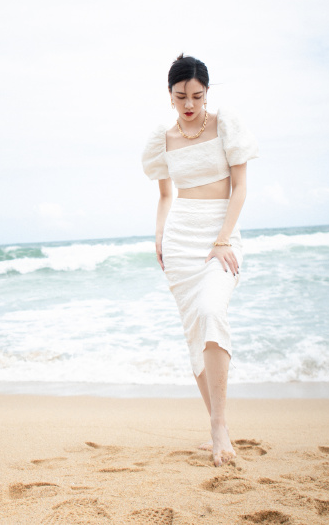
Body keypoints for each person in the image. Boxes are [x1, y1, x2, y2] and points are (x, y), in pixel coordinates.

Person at [141, 54, 258, 467]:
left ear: (207, 92)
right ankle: (219, 427)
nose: (189, 104)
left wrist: (224, 237)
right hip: (180, 238)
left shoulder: (226, 124)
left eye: (197, 95)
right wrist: (158, 236)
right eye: (180, 96)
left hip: (219, 233)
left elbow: (241, 186)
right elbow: (165, 195)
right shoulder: (163, 138)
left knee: (212, 311)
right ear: (169, 96)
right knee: (195, 333)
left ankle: (218, 425)